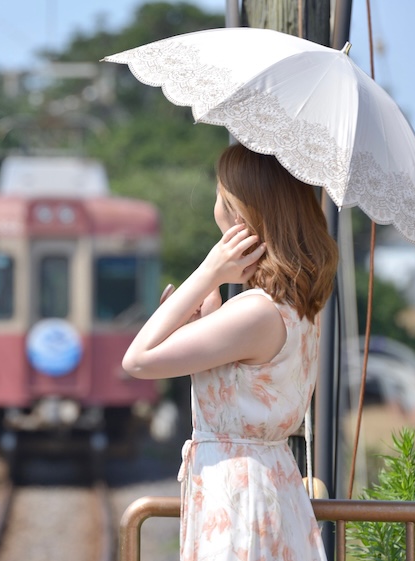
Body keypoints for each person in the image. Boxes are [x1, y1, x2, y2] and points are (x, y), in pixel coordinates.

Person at [122, 142, 338, 561]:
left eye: (221, 196)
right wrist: (213, 309)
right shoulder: (287, 305)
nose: (216, 208)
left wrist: (209, 272)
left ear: (241, 213)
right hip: (265, 488)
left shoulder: (257, 311)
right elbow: (245, 379)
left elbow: (138, 360)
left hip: (239, 499)